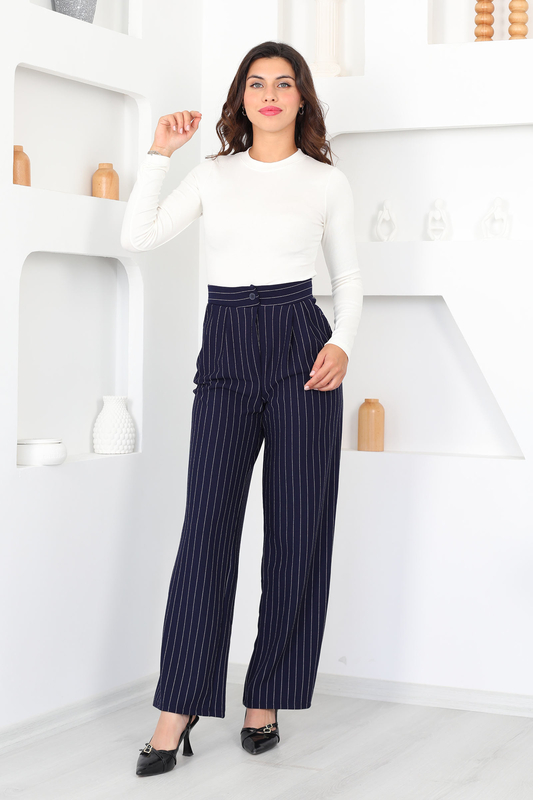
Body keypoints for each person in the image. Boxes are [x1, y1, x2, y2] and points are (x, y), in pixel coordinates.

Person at [121, 40, 363, 778]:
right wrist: (159, 154)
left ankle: (267, 699)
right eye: (256, 83)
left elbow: (348, 277)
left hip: (301, 346)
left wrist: (342, 343)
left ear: (301, 98)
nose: (269, 94)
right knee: (206, 531)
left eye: (283, 83)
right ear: (241, 97)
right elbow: (138, 235)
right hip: (225, 344)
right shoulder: (212, 173)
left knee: (296, 531)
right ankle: (179, 705)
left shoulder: (325, 181)